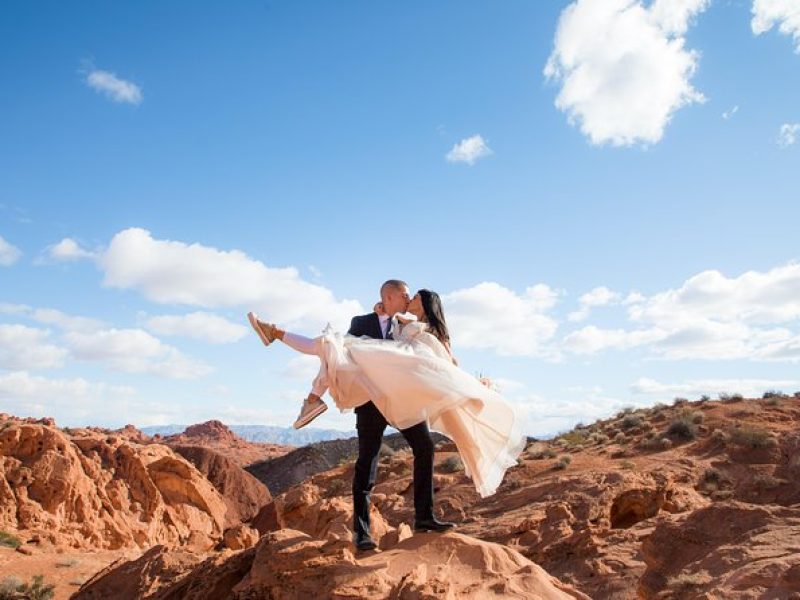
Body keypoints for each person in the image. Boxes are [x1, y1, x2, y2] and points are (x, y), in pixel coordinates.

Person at [247, 280, 525, 549]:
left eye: (411, 297)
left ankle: (425, 518)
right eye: (405, 295)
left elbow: (442, 357)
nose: (408, 300)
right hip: (371, 403)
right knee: (366, 462)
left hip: (403, 399)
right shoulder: (363, 321)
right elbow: (345, 360)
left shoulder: (409, 324)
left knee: (425, 447)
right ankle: (362, 533)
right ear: (390, 297)